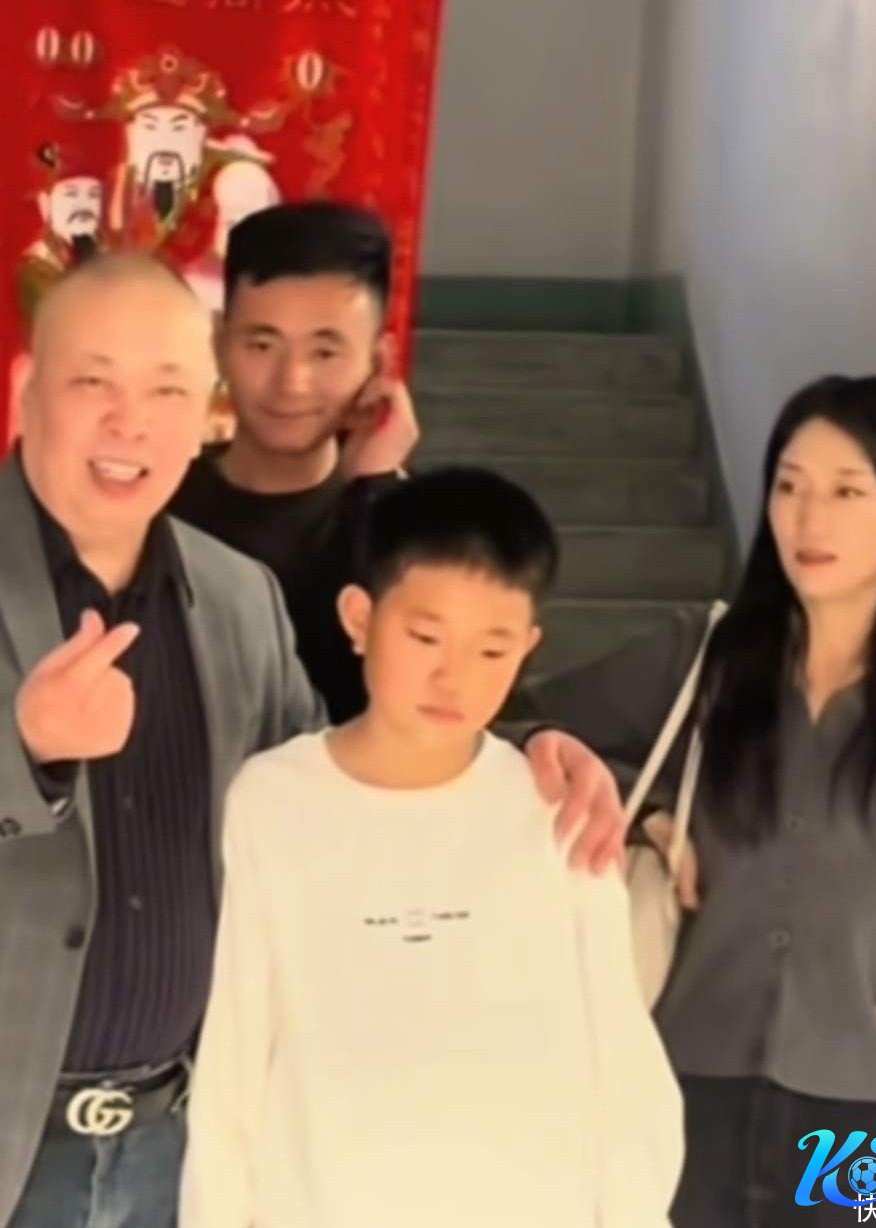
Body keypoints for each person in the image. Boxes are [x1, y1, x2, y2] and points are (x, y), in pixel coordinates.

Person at [0, 254, 624, 1228]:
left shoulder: (237, 597)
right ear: (27, 389)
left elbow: (340, 775)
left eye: (166, 390)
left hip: (181, 1147)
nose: (130, 423)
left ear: (204, 411)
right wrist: (25, 755)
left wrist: (527, 747)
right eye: (94, 383)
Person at [519, 375, 876, 1227]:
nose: (808, 519)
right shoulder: (701, 658)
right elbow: (515, 726)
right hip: (682, 1099)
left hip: (863, 1125)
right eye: (789, 485)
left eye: (847, 492)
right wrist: (649, 805)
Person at [180, 467, 684, 1228]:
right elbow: (234, 1061)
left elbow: (620, 1060)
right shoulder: (272, 804)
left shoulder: (557, 808)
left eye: (492, 651)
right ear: (359, 618)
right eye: (424, 637)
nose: (453, 678)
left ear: (529, 647)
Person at [169, 200, 419, 722]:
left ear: (378, 361)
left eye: (324, 352)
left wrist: (373, 492)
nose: (292, 383)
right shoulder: (156, 506)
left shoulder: (413, 524)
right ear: (219, 343)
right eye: (262, 345)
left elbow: (426, 703)